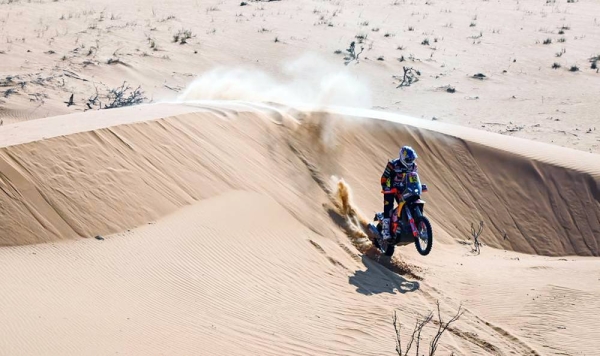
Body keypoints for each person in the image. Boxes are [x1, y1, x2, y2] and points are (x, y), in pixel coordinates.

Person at [380, 146, 418, 240]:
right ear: (402, 157)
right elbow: (384, 178)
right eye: (408, 159)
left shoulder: (413, 166)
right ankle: (385, 231)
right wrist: (386, 188)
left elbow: (414, 178)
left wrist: (418, 186)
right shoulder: (392, 164)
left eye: (412, 159)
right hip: (391, 189)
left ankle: (413, 223)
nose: (410, 161)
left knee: (411, 203)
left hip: (404, 189)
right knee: (388, 206)